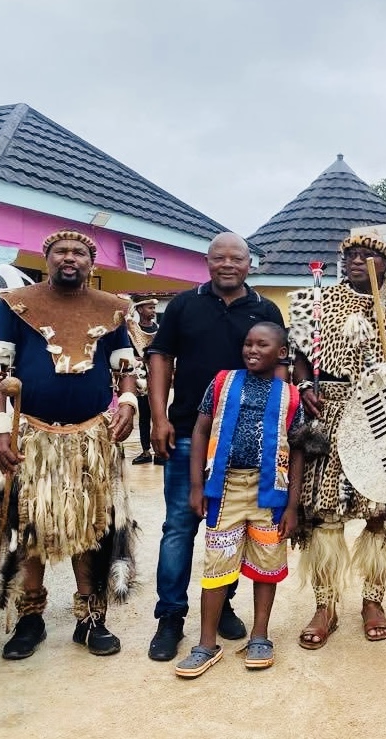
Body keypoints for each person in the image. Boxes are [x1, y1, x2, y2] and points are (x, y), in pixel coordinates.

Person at [0, 229, 139, 659]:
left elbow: (125, 365)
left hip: (91, 439)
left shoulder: (112, 310)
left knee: (91, 531)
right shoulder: (18, 305)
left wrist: (128, 401)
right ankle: (29, 619)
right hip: (32, 438)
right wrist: (0, 429)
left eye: (78, 252)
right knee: (30, 527)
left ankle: (90, 620)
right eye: (61, 252)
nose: (69, 258)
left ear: (91, 264)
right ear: (47, 258)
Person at [287, 231, 386, 648]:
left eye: (368, 256)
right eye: (351, 255)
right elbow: (299, 356)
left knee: (383, 512)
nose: (357, 261)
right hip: (332, 411)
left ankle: (373, 601)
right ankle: (325, 605)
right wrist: (305, 386)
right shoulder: (316, 302)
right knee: (325, 513)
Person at [146, 232, 285, 662]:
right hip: (190, 431)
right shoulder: (184, 305)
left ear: (250, 264)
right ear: (206, 262)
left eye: (237, 258)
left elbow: (280, 372)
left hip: (247, 447)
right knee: (179, 527)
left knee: (234, 527)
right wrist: (160, 417)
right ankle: (170, 617)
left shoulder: (265, 310)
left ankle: (222, 605)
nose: (228, 264)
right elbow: (160, 358)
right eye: (218, 257)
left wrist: (276, 434)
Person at [174, 323, 305, 677]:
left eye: (262, 345)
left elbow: (297, 452)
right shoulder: (221, 383)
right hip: (225, 488)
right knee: (216, 564)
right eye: (247, 343)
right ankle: (205, 644)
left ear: (280, 353)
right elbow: (201, 429)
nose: (252, 350)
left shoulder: (290, 396)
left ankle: (260, 636)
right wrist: (197, 485)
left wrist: (291, 506)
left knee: (267, 564)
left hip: (270, 494)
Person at [126, 296, 162, 466]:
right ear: (140, 310)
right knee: (144, 415)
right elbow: (126, 353)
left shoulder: (159, 329)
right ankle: (146, 450)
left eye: (153, 309)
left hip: (157, 375)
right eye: (150, 308)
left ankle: (159, 450)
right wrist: (139, 360)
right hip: (140, 377)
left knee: (159, 414)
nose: (153, 311)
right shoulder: (131, 330)